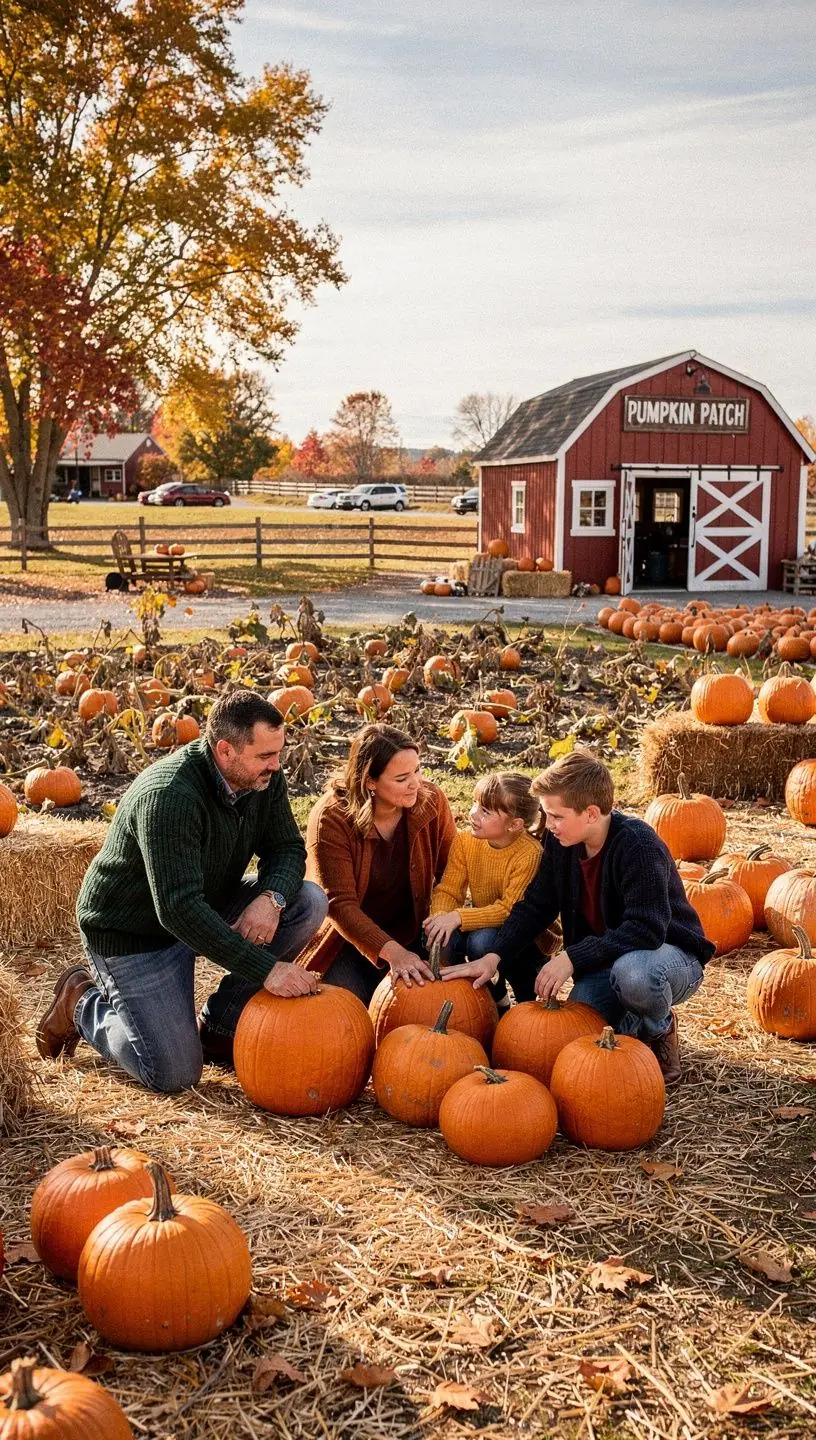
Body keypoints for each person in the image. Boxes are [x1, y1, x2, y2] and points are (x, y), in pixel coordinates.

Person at [36, 691, 328, 1092]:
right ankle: (81, 1002)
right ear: (225, 751)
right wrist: (268, 972)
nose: (276, 766)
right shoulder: (170, 796)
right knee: (173, 1074)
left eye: (278, 753)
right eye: (265, 756)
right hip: (135, 933)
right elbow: (177, 909)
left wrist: (270, 898)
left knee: (307, 901)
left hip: (203, 900)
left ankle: (220, 1023)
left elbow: (288, 848)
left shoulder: (263, 779)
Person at [442, 749, 714, 1083]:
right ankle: (632, 1020)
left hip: (667, 958)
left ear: (591, 813)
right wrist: (494, 956)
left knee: (633, 976)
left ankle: (659, 1029)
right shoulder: (562, 843)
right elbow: (536, 905)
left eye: (556, 816)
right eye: (546, 815)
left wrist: (572, 957)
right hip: (605, 964)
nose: (548, 825)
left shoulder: (638, 846)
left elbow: (647, 929)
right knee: (573, 1043)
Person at [301, 723, 456, 1003]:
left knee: (431, 1007)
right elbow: (339, 905)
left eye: (417, 771)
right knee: (343, 1014)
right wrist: (394, 953)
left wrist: (443, 922)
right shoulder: (332, 819)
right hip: (350, 942)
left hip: (416, 932)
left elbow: (453, 872)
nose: (416, 784)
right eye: (401, 778)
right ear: (370, 782)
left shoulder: (431, 801)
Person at [423, 772, 544, 1006]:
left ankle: (526, 1001)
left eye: (485, 811)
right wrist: (441, 918)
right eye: (475, 804)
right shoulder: (466, 842)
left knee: (482, 942)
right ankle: (480, 1000)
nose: (473, 814)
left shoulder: (529, 853)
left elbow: (510, 910)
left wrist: (457, 916)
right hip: (484, 922)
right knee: (441, 937)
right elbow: (448, 890)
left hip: (526, 937)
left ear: (515, 825)